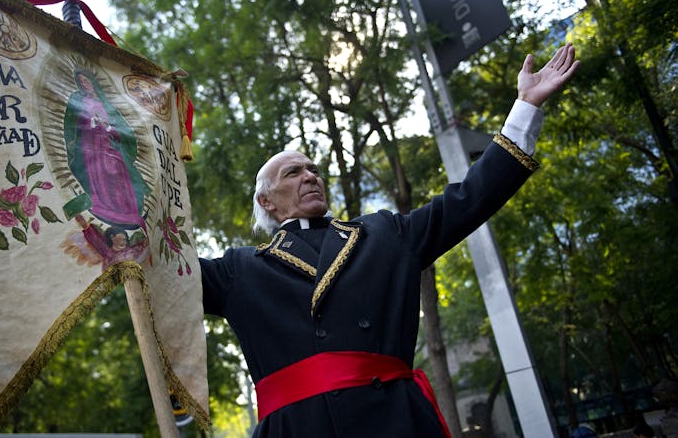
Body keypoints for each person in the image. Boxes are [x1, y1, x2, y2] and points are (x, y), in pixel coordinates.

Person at [199, 44, 579, 437]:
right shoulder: (238, 271)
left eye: (313, 169)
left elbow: (467, 201)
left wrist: (525, 108)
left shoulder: (382, 234)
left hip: (396, 422)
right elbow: (167, 270)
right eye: (293, 173)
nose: (311, 176)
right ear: (267, 202)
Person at [63, 69, 150, 230]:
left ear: (93, 82)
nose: (85, 84)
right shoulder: (81, 99)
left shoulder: (106, 104)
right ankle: (104, 208)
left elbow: (119, 128)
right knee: (98, 173)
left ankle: (127, 211)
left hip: (110, 143)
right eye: (81, 82)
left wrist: (108, 127)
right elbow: (75, 122)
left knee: (117, 172)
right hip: (90, 143)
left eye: (87, 81)